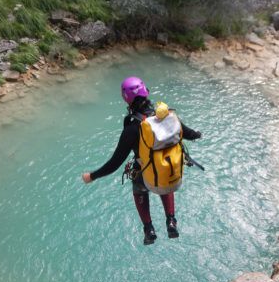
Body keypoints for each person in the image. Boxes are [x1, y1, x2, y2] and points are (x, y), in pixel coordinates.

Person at [82, 76, 201, 245]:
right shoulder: (166, 116)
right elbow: (188, 133)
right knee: (163, 171)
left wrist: (92, 176)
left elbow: (114, 163)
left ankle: (149, 229)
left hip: (144, 174)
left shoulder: (131, 129)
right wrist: (198, 134)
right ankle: (171, 221)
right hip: (169, 173)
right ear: (146, 92)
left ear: (126, 99)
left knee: (139, 188)